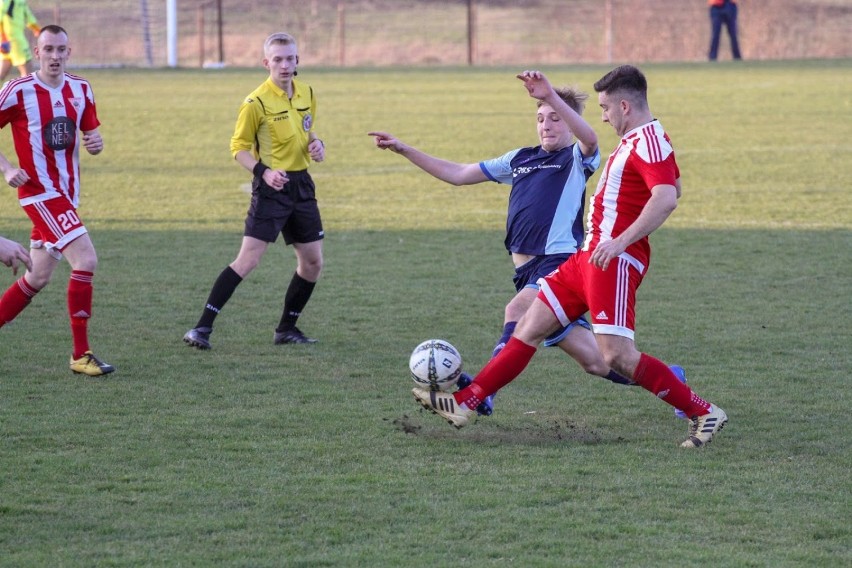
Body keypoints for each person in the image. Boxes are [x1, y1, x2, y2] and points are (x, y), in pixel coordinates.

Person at [413, 65, 728, 449]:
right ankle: (467, 402)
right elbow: (673, 182)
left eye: (606, 107)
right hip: (586, 258)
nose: (604, 115)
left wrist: (619, 242)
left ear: (625, 106)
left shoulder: (648, 140)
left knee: (615, 356)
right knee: (528, 325)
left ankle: (703, 411)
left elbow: (667, 197)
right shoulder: (638, 141)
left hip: (610, 259)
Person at [371, 70, 661, 417]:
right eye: (540, 118)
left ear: (569, 124)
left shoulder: (575, 158)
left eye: (555, 118)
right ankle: (672, 380)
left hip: (559, 262)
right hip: (525, 272)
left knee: (516, 310)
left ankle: (481, 395)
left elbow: (590, 139)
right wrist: (405, 150)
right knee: (597, 362)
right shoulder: (519, 160)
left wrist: (552, 95)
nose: (547, 125)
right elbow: (459, 174)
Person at [183, 32, 326, 350]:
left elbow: (307, 129)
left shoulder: (308, 93)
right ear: (266, 63)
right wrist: (264, 171)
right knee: (247, 260)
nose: (285, 65)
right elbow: (239, 148)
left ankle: (286, 329)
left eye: (290, 58)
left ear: (298, 60)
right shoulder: (255, 102)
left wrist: (317, 143)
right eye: (278, 59)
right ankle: (201, 329)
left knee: (313, 262)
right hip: (272, 188)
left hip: (302, 186)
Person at [0, 24, 114, 376]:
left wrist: (96, 143)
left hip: (67, 195)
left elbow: (90, 133)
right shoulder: (18, 90)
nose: (54, 56)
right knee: (86, 259)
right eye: (47, 49)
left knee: (37, 277)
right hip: (39, 194)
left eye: (60, 49)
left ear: (69, 51)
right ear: (37, 52)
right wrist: (6, 169)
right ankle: (81, 355)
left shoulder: (81, 88)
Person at [0, 0, 40, 82]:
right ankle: (25, 93)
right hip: (15, 41)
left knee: (2, 73)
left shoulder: (21, 1)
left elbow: (28, 16)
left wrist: (37, 29)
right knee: (27, 73)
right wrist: (3, 38)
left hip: (10, 40)